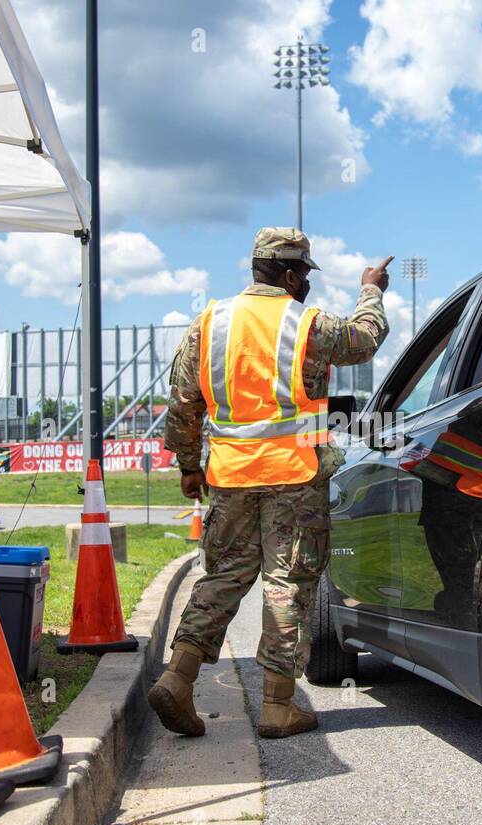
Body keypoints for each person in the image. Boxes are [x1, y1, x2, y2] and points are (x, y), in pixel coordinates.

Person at [149, 227, 391, 739]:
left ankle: (179, 678)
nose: (305, 283)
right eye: (303, 273)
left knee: (222, 578)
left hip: (230, 475)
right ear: (287, 273)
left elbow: (183, 402)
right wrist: (372, 289)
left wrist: (190, 466)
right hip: (293, 476)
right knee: (288, 583)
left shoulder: (208, 323)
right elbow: (364, 340)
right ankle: (278, 706)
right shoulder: (307, 323)